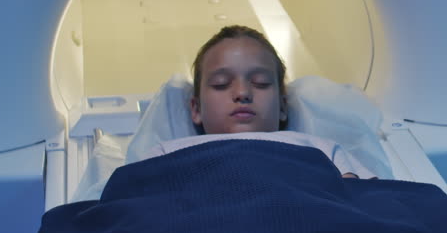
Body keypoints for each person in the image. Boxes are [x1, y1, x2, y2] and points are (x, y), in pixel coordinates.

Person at [144, 25, 376, 179]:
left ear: (283, 107)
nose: (242, 93)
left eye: (261, 82)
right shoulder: (167, 154)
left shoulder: (320, 148)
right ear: (196, 109)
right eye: (222, 84)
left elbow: (365, 203)